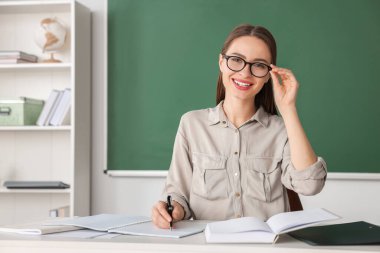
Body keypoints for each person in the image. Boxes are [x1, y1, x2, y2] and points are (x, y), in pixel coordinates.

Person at [152, 24, 327, 229]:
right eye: (236, 60)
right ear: (221, 62)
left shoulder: (281, 130)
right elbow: (178, 194)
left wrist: (288, 109)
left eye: (259, 65)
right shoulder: (191, 124)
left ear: (269, 74)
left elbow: (310, 185)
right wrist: (173, 210)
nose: (245, 73)